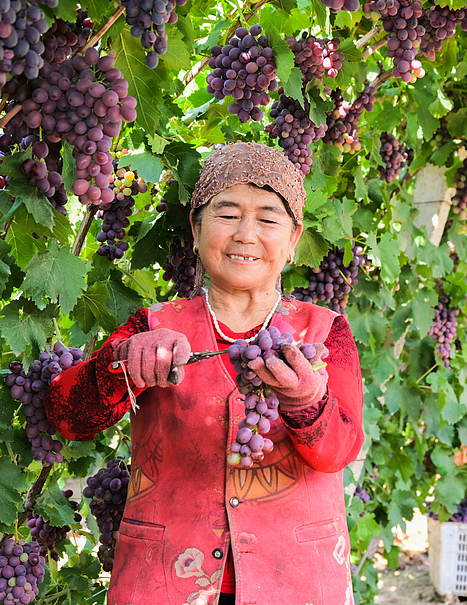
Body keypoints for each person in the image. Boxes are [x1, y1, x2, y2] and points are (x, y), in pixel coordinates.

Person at [46, 142, 365, 605]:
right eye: (227, 214)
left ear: (293, 241)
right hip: (163, 582)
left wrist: (307, 399)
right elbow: (65, 416)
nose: (245, 234)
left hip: (296, 582)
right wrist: (122, 363)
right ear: (196, 231)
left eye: (268, 219)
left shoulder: (324, 331)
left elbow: (342, 450)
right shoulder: (154, 326)